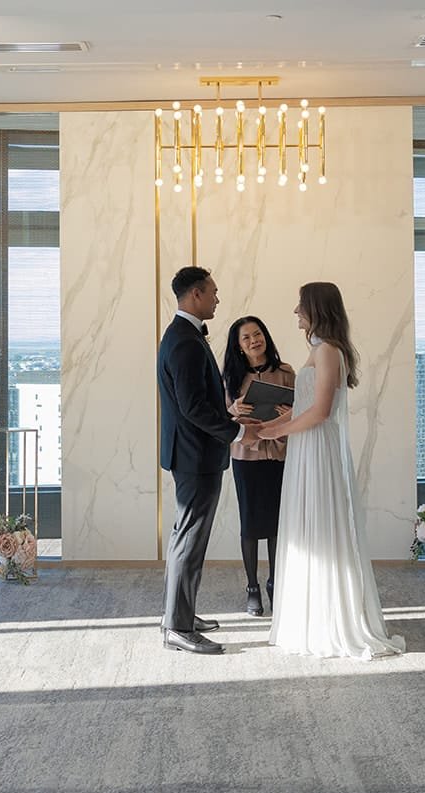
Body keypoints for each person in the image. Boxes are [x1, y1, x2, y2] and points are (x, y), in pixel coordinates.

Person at [257, 282, 405, 660]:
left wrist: (277, 431)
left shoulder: (328, 351)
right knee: (307, 526)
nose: (296, 311)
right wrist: (271, 425)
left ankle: (328, 621)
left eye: (301, 305)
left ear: (316, 309)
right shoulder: (320, 349)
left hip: (317, 449)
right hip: (306, 447)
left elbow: (321, 412)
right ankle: (310, 617)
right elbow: (306, 406)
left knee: (320, 526)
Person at [158, 266, 257, 655]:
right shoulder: (184, 341)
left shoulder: (181, 335)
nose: (218, 298)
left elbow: (196, 402)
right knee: (189, 540)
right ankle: (178, 628)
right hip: (195, 456)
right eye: (213, 292)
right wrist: (237, 432)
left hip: (190, 453)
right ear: (195, 294)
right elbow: (193, 407)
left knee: (185, 537)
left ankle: (178, 614)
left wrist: (228, 412)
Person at [223, 315, 295, 616]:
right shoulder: (231, 377)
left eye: (258, 334)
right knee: (250, 524)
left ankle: (275, 584)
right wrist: (233, 408)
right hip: (246, 457)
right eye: (246, 337)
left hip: (280, 454)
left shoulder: (286, 372)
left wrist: (289, 410)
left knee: (278, 523)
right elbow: (221, 417)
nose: (254, 340)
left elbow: (302, 411)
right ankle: (252, 587)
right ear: (239, 346)